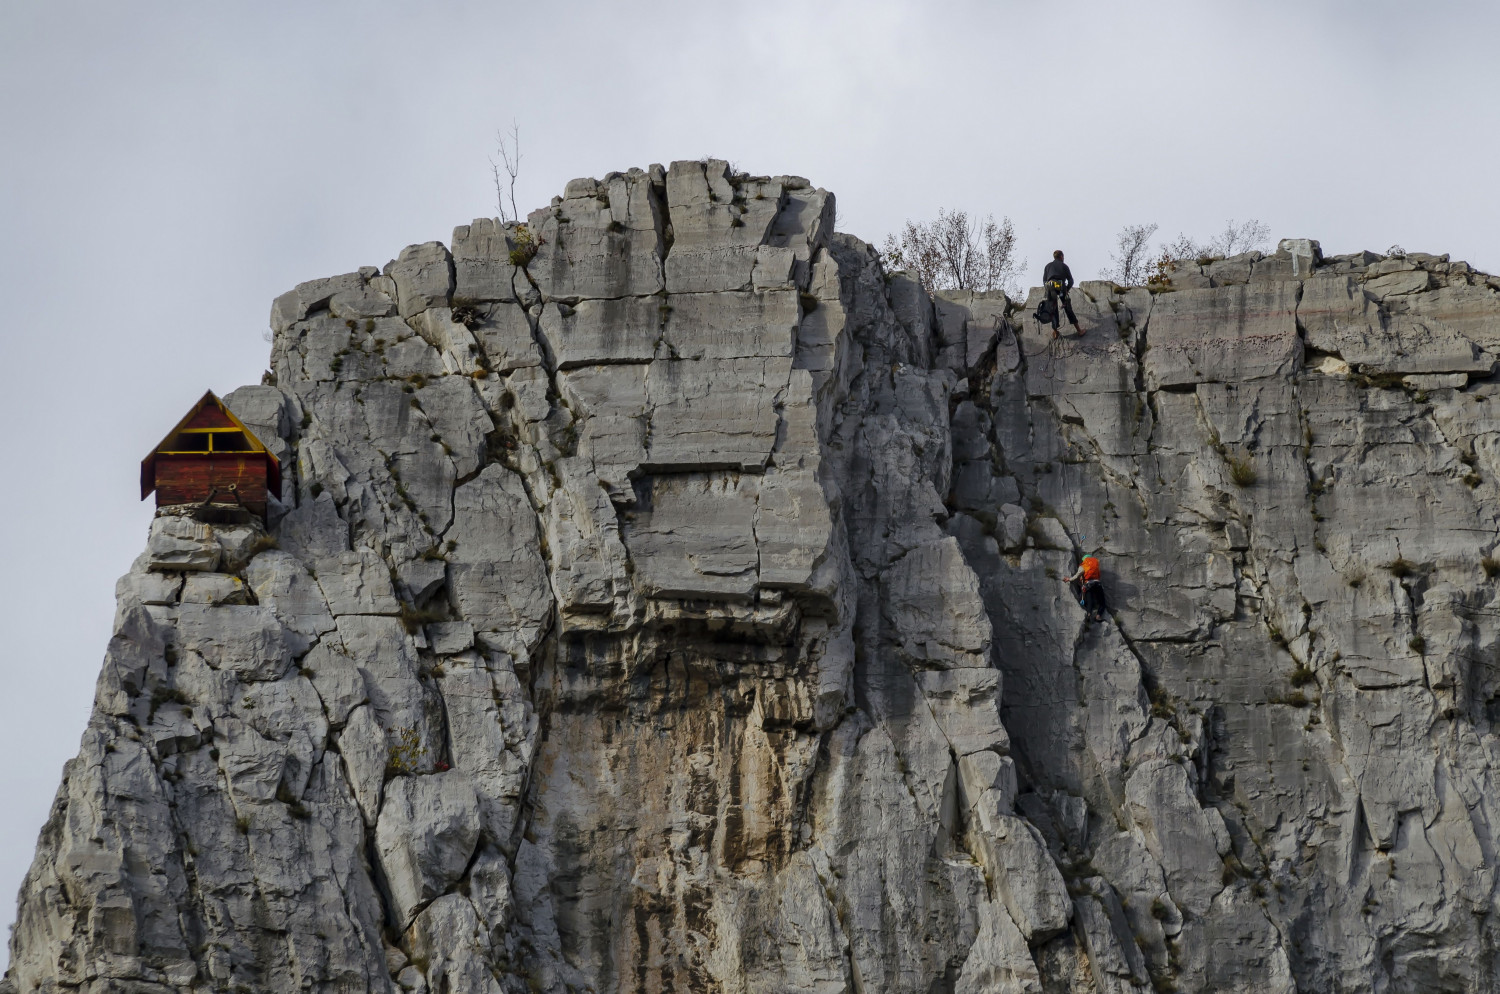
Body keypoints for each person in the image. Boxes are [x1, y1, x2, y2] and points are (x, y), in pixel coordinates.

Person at [1042, 250, 1082, 338]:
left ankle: (1055, 332)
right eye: (1063, 257)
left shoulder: (1047, 266)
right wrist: (1067, 289)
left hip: (1050, 286)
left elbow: (1044, 281)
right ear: (1061, 256)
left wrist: (1047, 289)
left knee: (1053, 309)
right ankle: (1079, 330)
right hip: (1060, 286)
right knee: (1068, 308)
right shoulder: (1064, 266)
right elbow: (1071, 280)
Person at [1064, 554, 1109, 623]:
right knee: (1102, 602)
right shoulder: (1096, 564)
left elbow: (1077, 575)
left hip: (1088, 585)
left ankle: (1089, 614)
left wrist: (1069, 579)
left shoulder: (1083, 565)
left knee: (1089, 601)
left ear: (1084, 559)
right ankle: (1098, 616)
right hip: (1097, 584)